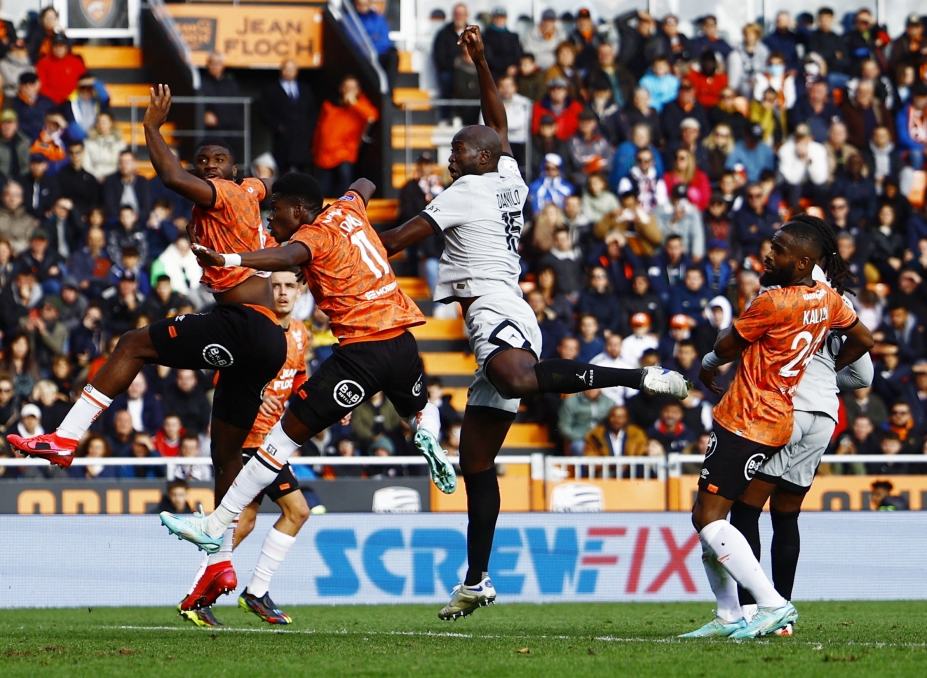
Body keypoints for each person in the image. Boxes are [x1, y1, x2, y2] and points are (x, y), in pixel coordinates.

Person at [367, 27, 689, 620]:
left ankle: (634, 377)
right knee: (475, 463)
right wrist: (484, 61)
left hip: (495, 306)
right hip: (509, 305)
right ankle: (478, 580)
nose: (451, 155)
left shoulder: (465, 192)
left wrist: (338, 231)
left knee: (518, 380)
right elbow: (498, 122)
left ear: (478, 160)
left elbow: (394, 240)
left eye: (459, 149)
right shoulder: (508, 176)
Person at [8, 86, 289, 538]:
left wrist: (150, 127)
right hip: (266, 340)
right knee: (225, 454)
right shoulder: (246, 192)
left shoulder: (226, 194)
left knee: (132, 344)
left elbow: (173, 178)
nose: (210, 166)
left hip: (245, 325)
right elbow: (271, 183)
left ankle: (65, 436)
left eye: (218, 160)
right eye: (204, 161)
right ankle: (218, 558)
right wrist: (285, 194)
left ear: (232, 171)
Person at [168, 163, 448, 555]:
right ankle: (430, 436)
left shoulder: (313, 236)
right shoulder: (349, 209)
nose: (271, 216)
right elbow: (365, 180)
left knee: (278, 442)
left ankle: (215, 524)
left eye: (277, 209)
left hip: (361, 353)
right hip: (402, 343)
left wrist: (230, 260)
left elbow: (285, 256)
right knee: (418, 409)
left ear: (298, 211)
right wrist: (355, 209)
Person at [681, 217, 873, 639]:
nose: (769, 254)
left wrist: (709, 364)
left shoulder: (774, 301)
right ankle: (735, 613)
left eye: (779, 249)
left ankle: (765, 607)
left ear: (804, 262)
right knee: (778, 516)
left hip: (754, 414)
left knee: (726, 515)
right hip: (813, 413)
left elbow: (725, 346)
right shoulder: (831, 300)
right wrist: (828, 374)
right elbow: (866, 362)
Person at [729, 251, 875, 631]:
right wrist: (828, 378)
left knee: (745, 508)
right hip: (825, 417)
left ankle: (754, 610)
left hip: (787, 412)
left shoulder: (779, 299)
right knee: (786, 513)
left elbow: (738, 345)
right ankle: (783, 613)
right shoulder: (839, 305)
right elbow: (864, 376)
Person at [178, 268, 312, 627]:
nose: (282, 293)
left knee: (246, 522)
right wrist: (258, 393)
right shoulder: (254, 330)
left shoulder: (300, 335)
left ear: (301, 290)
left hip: (272, 440)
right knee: (297, 511)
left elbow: (299, 378)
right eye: (276, 286)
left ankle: (198, 596)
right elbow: (224, 379)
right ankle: (254, 593)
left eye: (289, 286)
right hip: (249, 440)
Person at [310, 76, 378, 198]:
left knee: (344, 185)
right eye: (346, 87)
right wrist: (315, 149)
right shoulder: (330, 104)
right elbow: (320, 128)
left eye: (352, 88)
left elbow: (372, 116)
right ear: (341, 89)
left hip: (345, 152)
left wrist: (354, 103)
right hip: (325, 153)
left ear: (358, 90)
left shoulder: (361, 104)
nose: (349, 90)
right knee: (323, 189)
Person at [259, 60, 314, 176]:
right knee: (283, 170)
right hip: (282, 138)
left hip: (302, 138)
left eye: (292, 69)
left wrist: (308, 128)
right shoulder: (271, 89)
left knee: (303, 170)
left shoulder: (305, 89)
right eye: (286, 69)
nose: (289, 72)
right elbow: (264, 111)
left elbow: (312, 111)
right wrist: (278, 127)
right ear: (281, 71)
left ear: (297, 71)